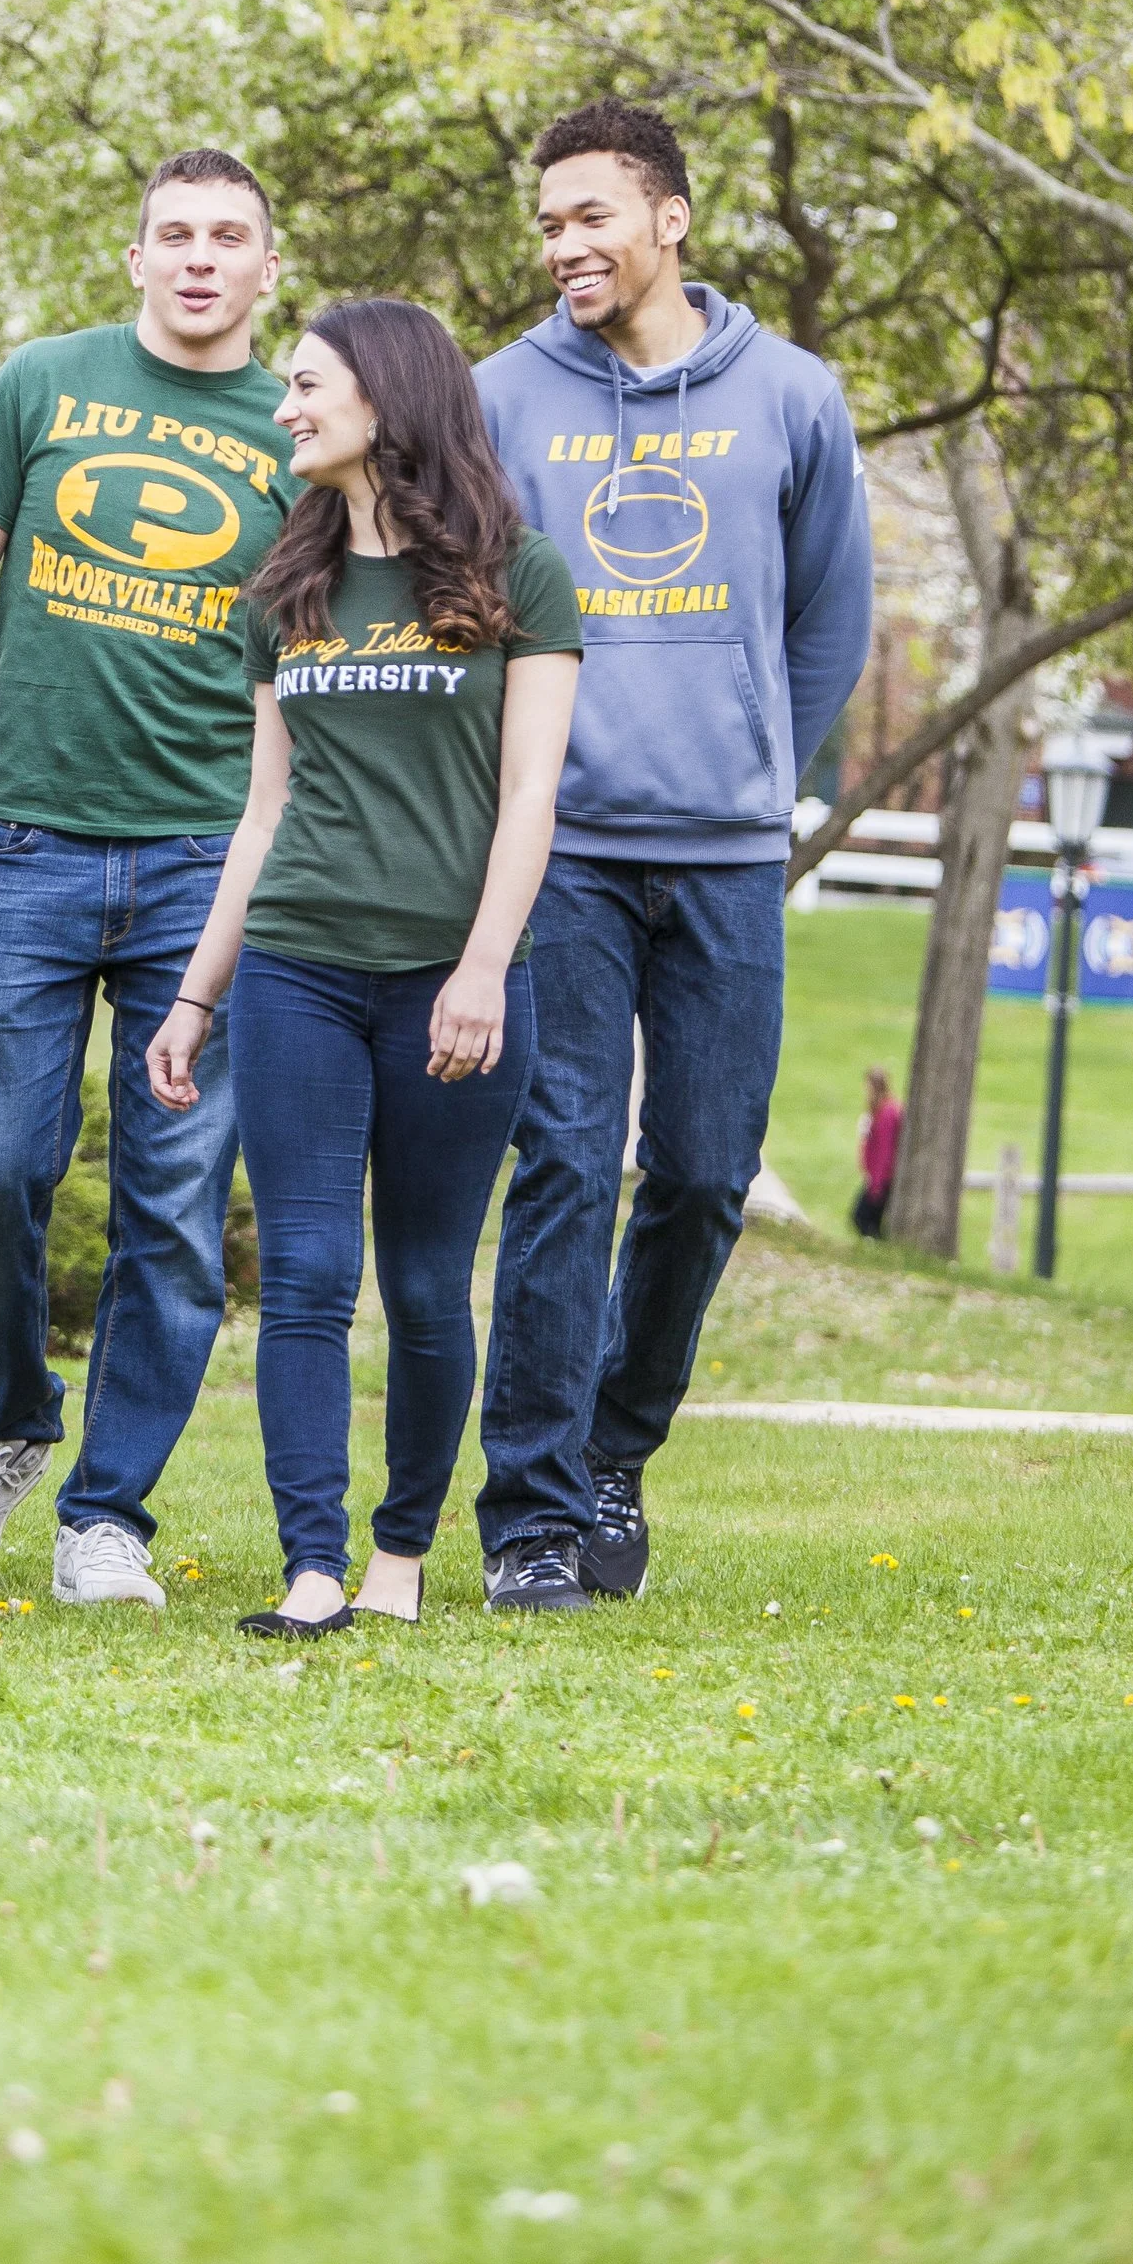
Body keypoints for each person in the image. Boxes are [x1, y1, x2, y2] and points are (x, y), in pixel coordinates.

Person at [473, 99, 874, 1607]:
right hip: (560, 844)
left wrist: (755, 759)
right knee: (566, 1161)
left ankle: (617, 1444)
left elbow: (828, 619)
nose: (568, 247)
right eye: (550, 224)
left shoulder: (791, 393)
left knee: (704, 1172)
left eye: (593, 217)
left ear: (671, 217)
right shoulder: (502, 394)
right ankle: (531, 1514)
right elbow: (467, 603)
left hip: (722, 852)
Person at [0, 147, 294, 1608]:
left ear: (266, 267)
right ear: (135, 260)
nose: (198, 256)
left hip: (208, 862)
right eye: (173, 233)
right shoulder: (42, 384)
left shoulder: (306, 431)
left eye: (227, 235)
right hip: (29, 839)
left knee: (177, 1207)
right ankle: (4, 1420)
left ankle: (105, 1511)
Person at [146, 301, 580, 1637]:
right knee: (310, 1272)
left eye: (307, 385)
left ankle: (401, 1550)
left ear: (384, 400)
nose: (285, 408)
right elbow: (263, 812)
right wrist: (197, 992)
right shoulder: (287, 588)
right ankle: (312, 1567)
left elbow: (529, 798)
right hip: (301, 967)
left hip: (455, 978)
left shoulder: (525, 574)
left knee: (429, 1279)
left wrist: (484, 969)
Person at [853, 1067, 902, 1238]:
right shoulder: (879, 1110)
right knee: (869, 1219)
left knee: (861, 1216)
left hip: (883, 1177)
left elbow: (885, 1149)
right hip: (877, 1175)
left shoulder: (887, 1112)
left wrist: (877, 1183)